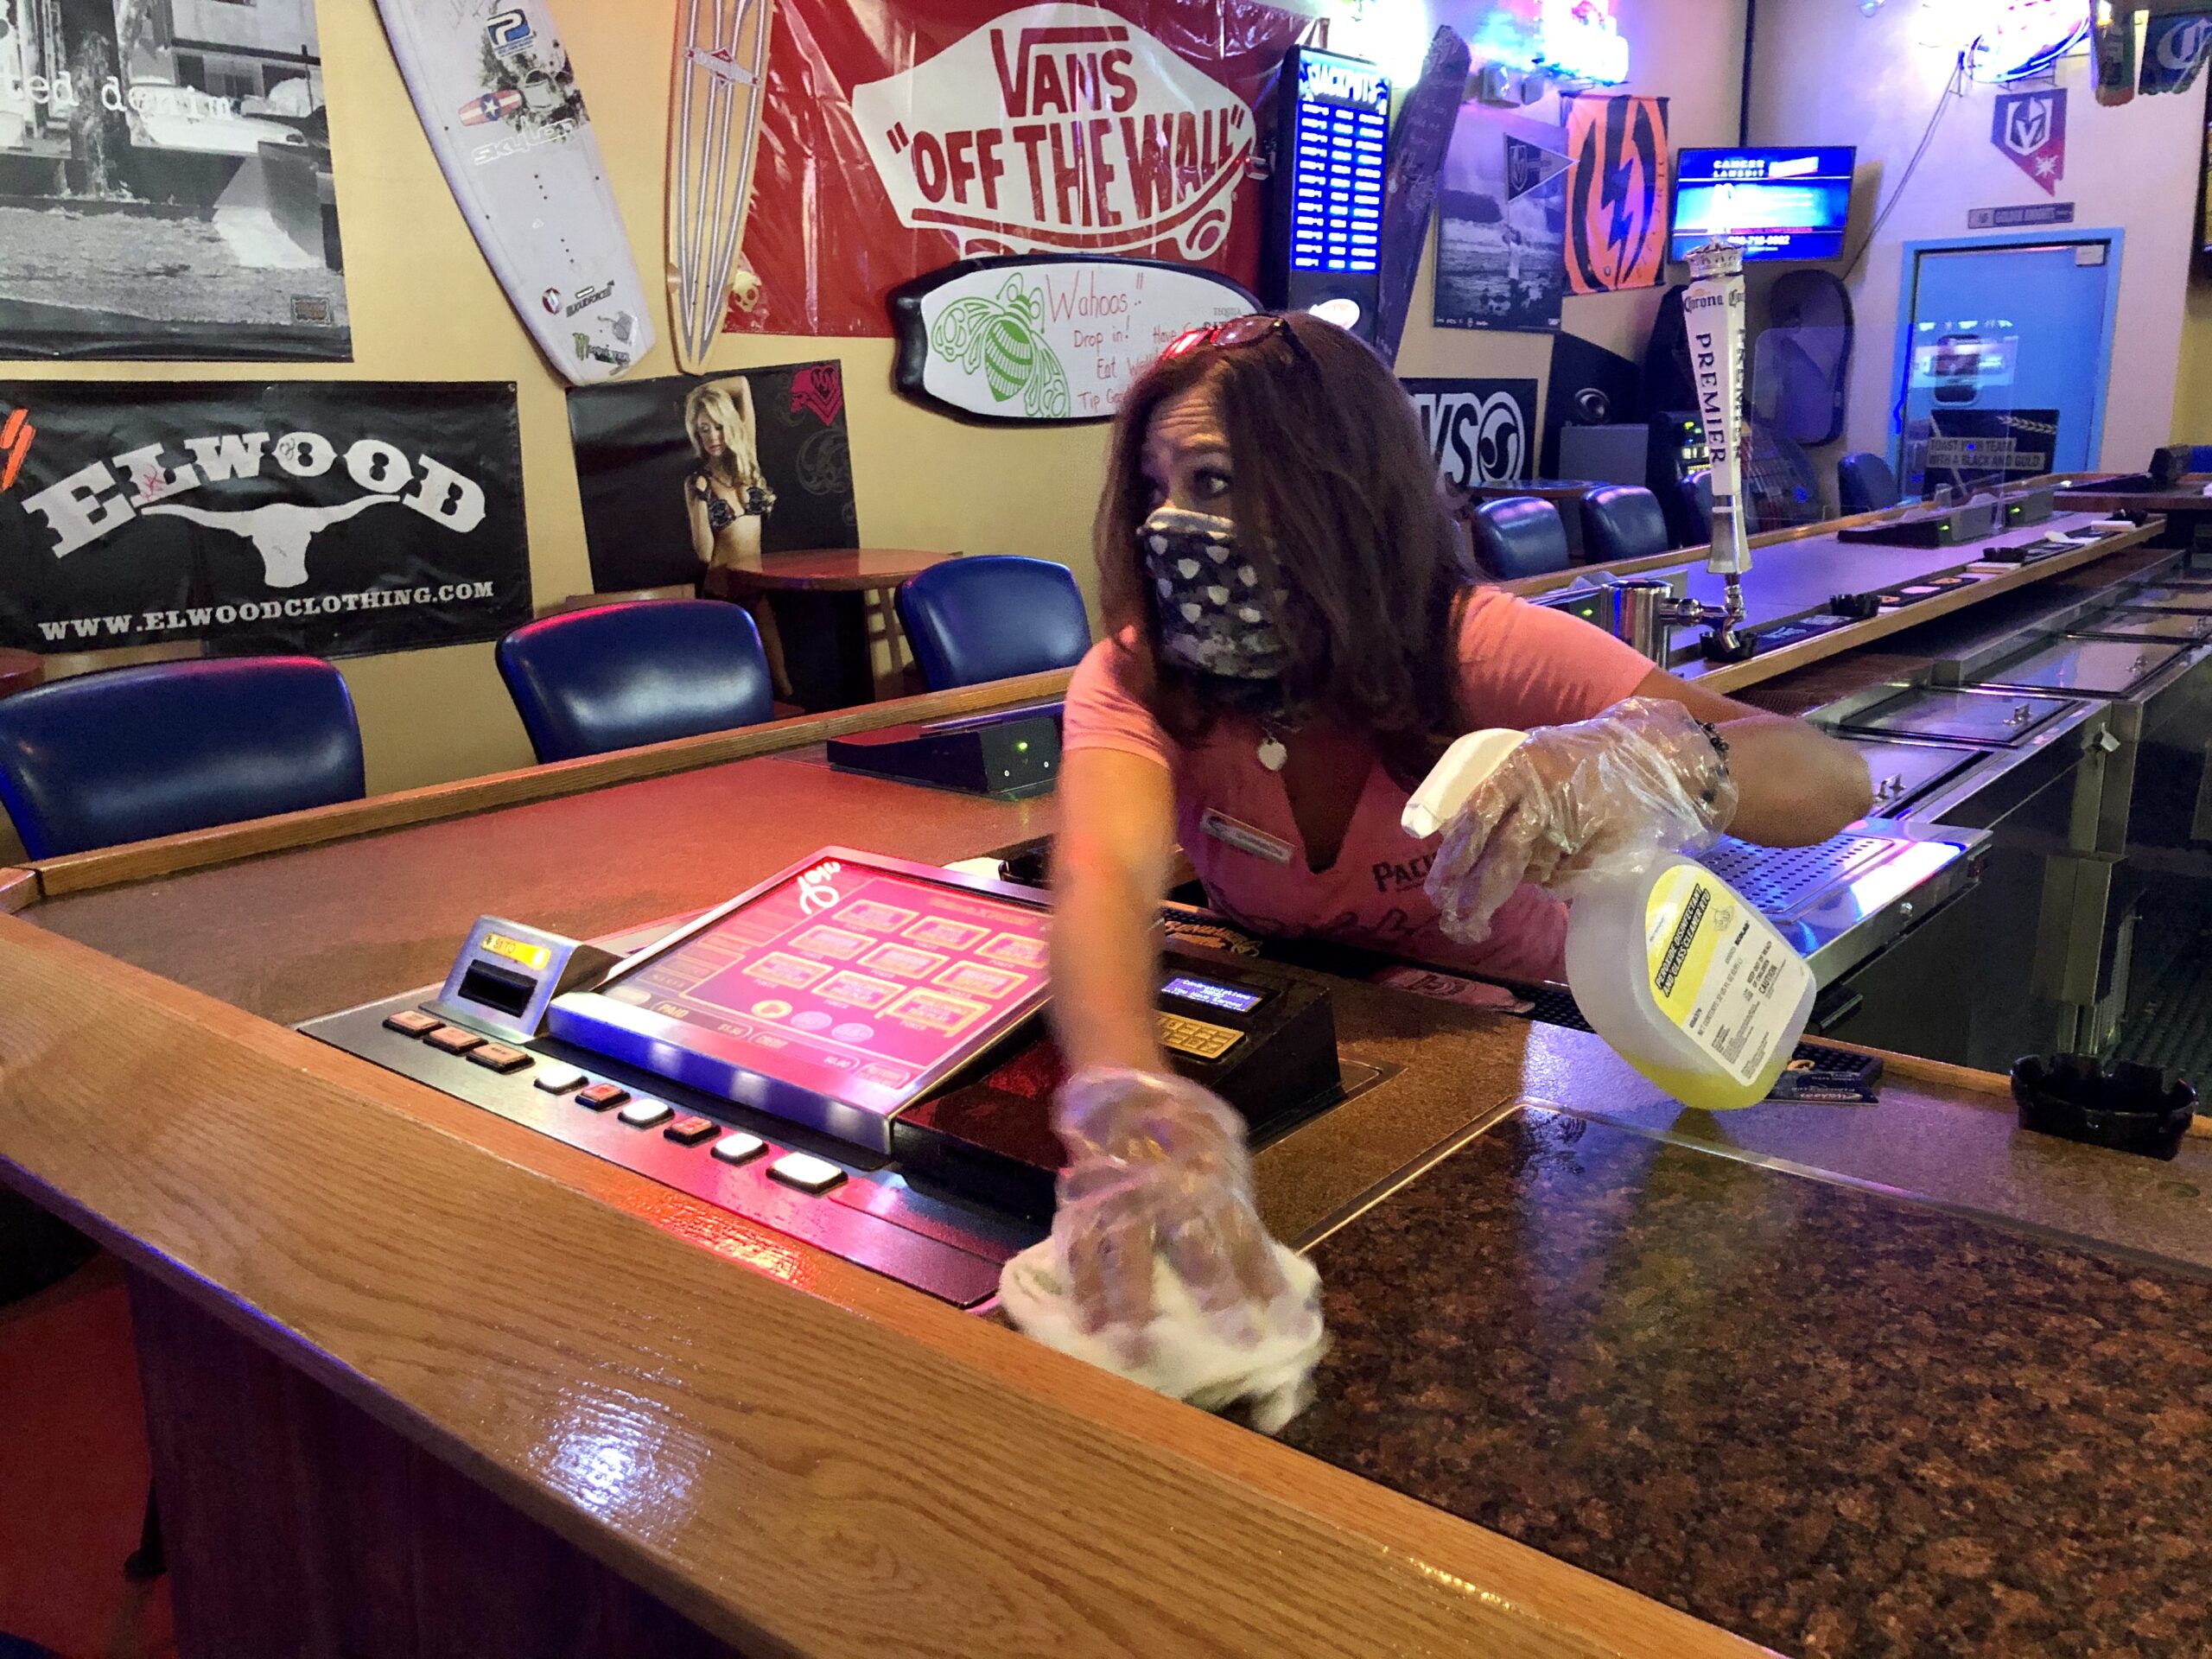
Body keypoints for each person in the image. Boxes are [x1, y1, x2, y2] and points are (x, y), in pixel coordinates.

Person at [1045, 312, 1873, 1357]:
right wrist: (1127, 1102)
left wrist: (1652, 760)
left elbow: (1832, 780)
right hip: (1317, 1062)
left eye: (1209, 481)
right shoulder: (1136, 677)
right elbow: (1101, 882)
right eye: (1156, 490)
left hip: (1535, 1078)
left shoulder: (1476, 647)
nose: (1172, 526)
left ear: (1335, 490)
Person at [683, 378, 790, 698]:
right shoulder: (697, 482)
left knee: (782, 684)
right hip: (722, 597)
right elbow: (704, 554)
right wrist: (702, 502)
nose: (713, 437)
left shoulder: (747, 462)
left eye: (718, 426)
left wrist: (698, 394)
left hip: (756, 592)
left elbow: (743, 385)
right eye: (703, 429)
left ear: (730, 424)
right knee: (733, 691)